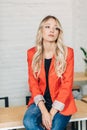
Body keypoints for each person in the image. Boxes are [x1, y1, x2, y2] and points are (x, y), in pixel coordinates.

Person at [23, 15, 77, 130]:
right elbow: (33, 84)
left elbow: (67, 85)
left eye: (56, 28)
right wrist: (44, 111)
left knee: (54, 127)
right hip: (40, 102)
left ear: (59, 33)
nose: (52, 30)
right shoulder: (32, 53)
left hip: (61, 103)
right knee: (29, 121)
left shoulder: (68, 53)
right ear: (41, 31)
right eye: (47, 27)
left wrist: (51, 113)